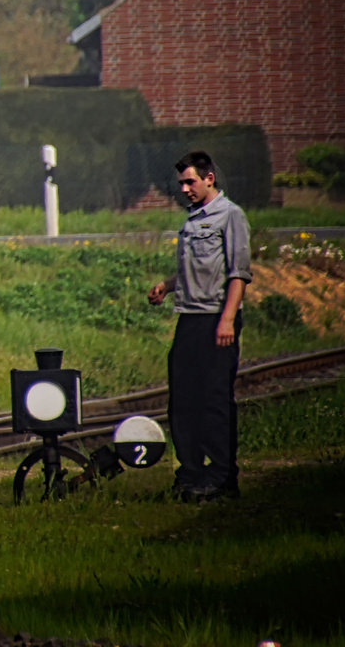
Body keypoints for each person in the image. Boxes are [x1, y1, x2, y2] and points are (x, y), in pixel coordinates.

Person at [147, 151, 251, 501]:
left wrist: (226, 320)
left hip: (216, 319)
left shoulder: (230, 216)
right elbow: (197, 269)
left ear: (209, 178)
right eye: (181, 184)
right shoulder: (192, 220)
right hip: (188, 318)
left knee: (215, 400)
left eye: (190, 182)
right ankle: (190, 474)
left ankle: (222, 476)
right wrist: (168, 284)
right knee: (183, 401)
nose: (185, 189)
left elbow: (238, 274)